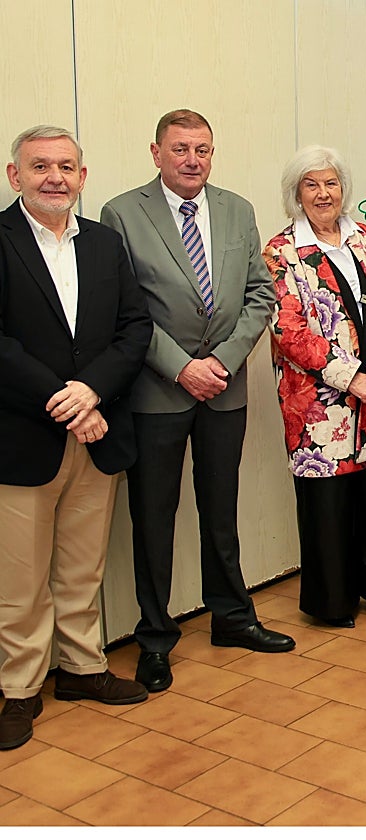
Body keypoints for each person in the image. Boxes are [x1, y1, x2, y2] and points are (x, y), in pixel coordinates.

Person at [101, 109, 295, 695]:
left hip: (224, 387)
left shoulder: (237, 209)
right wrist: (182, 366)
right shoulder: (122, 212)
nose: (193, 160)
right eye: (181, 149)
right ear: (156, 152)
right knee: (154, 518)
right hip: (158, 389)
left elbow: (261, 293)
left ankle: (232, 617)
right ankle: (155, 637)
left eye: (203, 150)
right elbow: (127, 305)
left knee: (221, 507)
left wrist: (224, 361)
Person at [0, 126, 154, 750]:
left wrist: (90, 392)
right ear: (15, 176)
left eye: (66, 166)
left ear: (84, 176)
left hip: (99, 430)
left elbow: (134, 328)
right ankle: (18, 688)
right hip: (24, 436)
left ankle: (83, 668)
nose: (55, 177)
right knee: (21, 575)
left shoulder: (105, 244)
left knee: (81, 567)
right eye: (40, 167)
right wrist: (66, 401)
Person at [262, 146, 366, 628]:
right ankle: (332, 601)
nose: (324, 193)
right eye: (312, 185)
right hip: (318, 400)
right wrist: (351, 378)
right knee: (328, 501)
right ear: (296, 194)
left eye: (331, 183)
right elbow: (288, 330)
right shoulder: (282, 250)